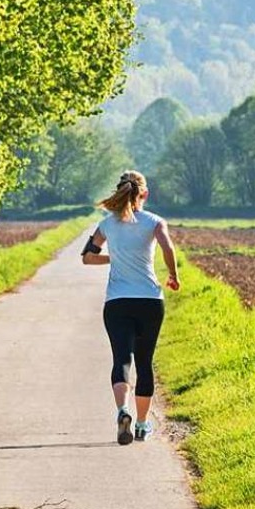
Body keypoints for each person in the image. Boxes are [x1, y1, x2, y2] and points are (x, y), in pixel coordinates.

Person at [81, 171, 179, 445]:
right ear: (144, 194)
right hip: (150, 301)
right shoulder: (154, 222)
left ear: (120, 191)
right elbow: (167, 246)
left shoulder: (106, 225)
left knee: (122, 360)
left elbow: (88, 258)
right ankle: (142, 424)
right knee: (145, 362)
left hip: (117, 303)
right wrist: (173, 275)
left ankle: (123, 410)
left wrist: (116, 257)